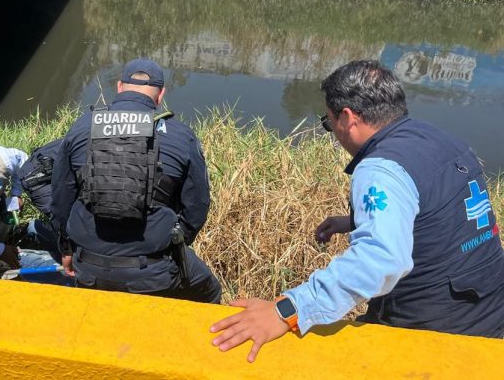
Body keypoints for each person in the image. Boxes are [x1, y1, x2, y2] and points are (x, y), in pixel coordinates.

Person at [210, 60, 504, 362]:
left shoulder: (380, 169)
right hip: (490, 312)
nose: (333, 131)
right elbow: (441, 211)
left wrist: (287, 310)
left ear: (348, 118)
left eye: (329, 122)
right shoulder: (441, 141)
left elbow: (380, 260)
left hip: (434, 334)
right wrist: (355, 221)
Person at [51, 58, 222, 303]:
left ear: (119, 87)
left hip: (88, 266)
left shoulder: (82, 126)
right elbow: (197, 206)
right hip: (154, 271)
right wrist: (177, 239)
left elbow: (60, 199)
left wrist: (66, 250)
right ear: (160, 94)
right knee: (210, 290)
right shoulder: (181, 135)